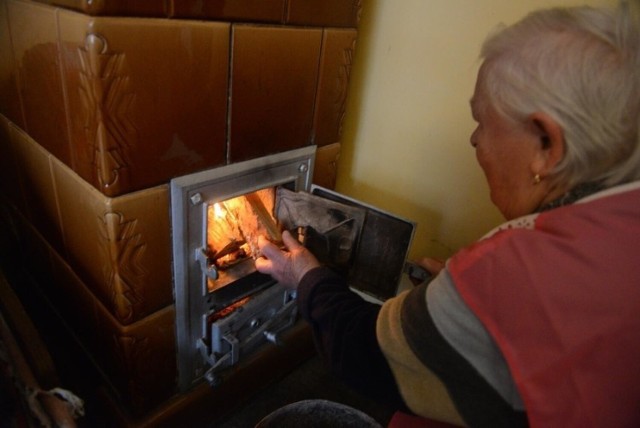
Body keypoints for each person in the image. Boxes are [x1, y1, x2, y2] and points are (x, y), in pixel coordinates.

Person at [255, 2, 640, 427]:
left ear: (547, 143)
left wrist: (306, 275)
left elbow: (364, 353)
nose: (475, 140)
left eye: (482, 121)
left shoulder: (518, 273)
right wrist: (458, 304)